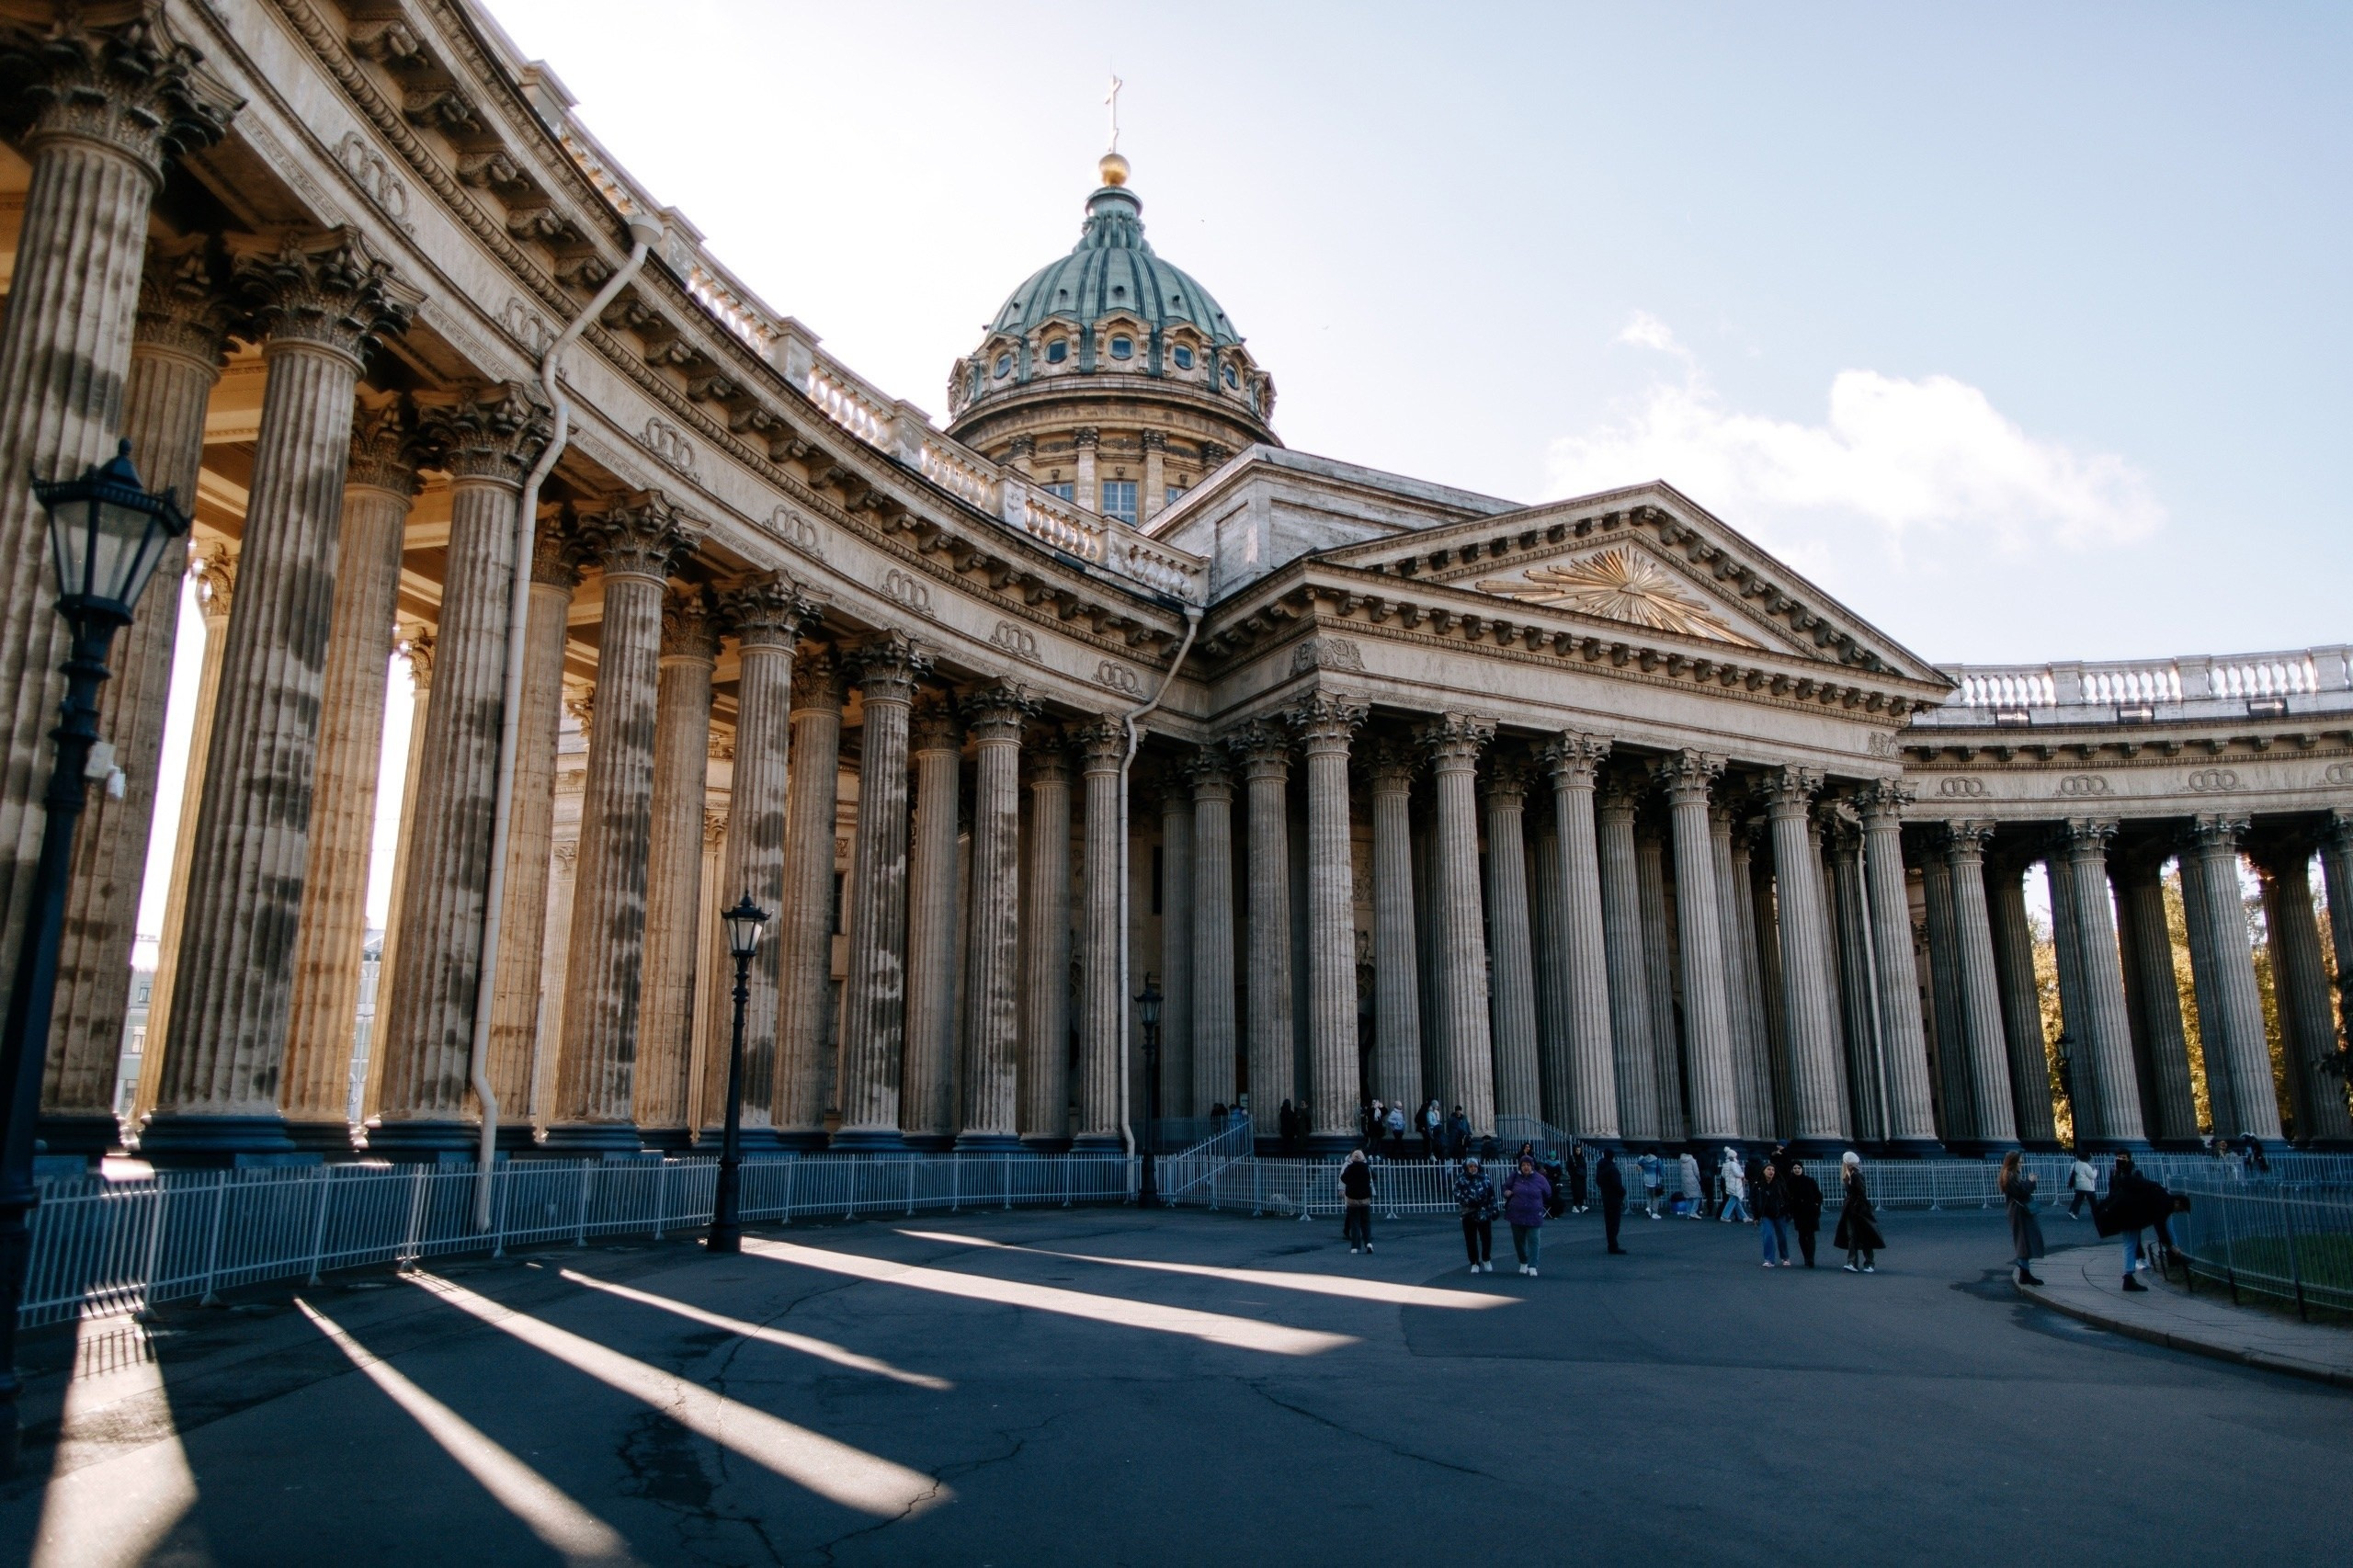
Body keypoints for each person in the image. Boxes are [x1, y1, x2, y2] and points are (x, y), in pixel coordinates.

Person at [2097, 1152, 2176, 1292]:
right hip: (2129, 1212)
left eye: (2123, 1158)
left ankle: (2131, 1273)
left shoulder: (2132, 1173)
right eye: (2119, 1158)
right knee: (2131, 1243)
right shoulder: (2119, 1174)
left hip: (2129, 1212)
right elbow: (2118, 1189)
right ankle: (2129, 1275)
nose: (2121, 1160)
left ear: (2129, 1159)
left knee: (2131, 1243)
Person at [2000, 1150, 2046, 1287]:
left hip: (2019, 1211)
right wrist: (2030, 1182)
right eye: (2019, 1162)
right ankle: (2024, 1274)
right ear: (2012, 1163)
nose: (2022, 1164)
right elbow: (2020, 1192)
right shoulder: (2009, 1176)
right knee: (2023, 1242)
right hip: (2019, 1211)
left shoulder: (2012, 1175)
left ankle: (2025, 1273)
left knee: (2024, 1241)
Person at [1504, 1155, 1553, 1276]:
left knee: (1534, 1240)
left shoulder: (1540, 1179)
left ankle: (1533, 1266)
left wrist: (1539, 1202)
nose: (1526, 1167)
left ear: (1532, 1166)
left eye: (1528, 1165)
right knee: (1518, 1241)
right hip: (1516, 1214)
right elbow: (1505, 1187)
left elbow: (1548, 1193)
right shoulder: (1514, 1176)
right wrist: (1506, 1192)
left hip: (1533, 1214)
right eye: (1523, 1165)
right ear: (1520, 1166)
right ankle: (1523, 1262)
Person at [1835, 1151, 1884, 1272]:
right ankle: (1852, 1262)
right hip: (1850, 1209)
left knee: (1865, 1235)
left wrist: (1858, 1206)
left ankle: (1869, 1263)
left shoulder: (1856, 1175)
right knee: (1852, 1236)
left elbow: (1862, 1193)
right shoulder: (1848, 1175)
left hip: (1859, 1209)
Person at [1455, 1154, 1498, 1273]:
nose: (1473, 1168)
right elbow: (1457, 1194)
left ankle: (1486, 1259)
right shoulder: (1461, 1178)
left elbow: (1491, 1194)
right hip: (1468, 1213)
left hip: (1483, 1212)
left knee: (1486, 1238)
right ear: (1466, 1168)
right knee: (1470, 1239)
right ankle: (1474, 1262)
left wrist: (1493, 1209)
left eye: (1475, 1166)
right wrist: (1470, 1201)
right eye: (1470, 1166)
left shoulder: (1484, 1177)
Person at [1784, 1157, 1824, 1267]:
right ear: (1792, 1170)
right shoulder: (1790, 1183)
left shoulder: (1809, 1180)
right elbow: (1787, 1197)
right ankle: (1806, 1257)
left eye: (1799, 1168)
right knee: (1802, 1235)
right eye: (1795, 1168)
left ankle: (1811, 1258)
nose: (1797, 1170)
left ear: (1802, 1169)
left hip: (1810, 1211)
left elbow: (1818, 1195)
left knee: (1811, 1235)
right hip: (1798, 1212)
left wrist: (1816, 1205)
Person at [1755, 1160, 1790, 1267]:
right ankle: (1769, 1259)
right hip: (1766, 1214)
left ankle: (1785, 1257)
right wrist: (1756, 1216)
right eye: (1769, 1169)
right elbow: (1754, 1200)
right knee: (1768, 1235)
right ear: (1763, 1171)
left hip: (1780, 1213)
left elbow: (1786, 1197)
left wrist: (1787, 1212)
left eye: (1773, 1170)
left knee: (1782, 1236)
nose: (1771, 1172)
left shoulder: (1779, 1183)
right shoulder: (1758, 1185)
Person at [1340, 1148, 1375, 1254]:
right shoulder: (1367, 1168)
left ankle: (1355, 1247)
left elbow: (1343, 1178)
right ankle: (1368, 1242)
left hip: (1352, 1198)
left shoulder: (1349, 1168)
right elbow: (1374, 1177)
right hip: (1365, 1198)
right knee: (1366, 1222)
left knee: (1355, 1222)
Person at [1596, 1146, 1628, 1254]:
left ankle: (1612, 1244)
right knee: (1615, 1223)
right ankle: (1613, 1245)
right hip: (1614, 1198)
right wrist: (1623, 1192)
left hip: (1606, 1196)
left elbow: (1598, 1182)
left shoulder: (1600, 1168)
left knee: (1609, 1222)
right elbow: (1617, 1184)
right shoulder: (1612, 1168)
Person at [1719, 1146, 1748, 1222]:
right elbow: (1737, 1174)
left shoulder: (1725, 1164)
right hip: (1735, 1185)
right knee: (1733, 1200)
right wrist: (1743, 1174)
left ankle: (1744, 1216)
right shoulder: (1734, 1164)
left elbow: (1723, 1175)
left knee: (1736, 1201)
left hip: (1729, 1184)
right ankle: (1724, 1216)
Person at [2066, 1149, 2097, 1219]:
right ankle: (2096, 1213)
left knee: (2078, 1200)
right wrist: (2095, 1171)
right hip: (2087, 1187)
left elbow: (2071, 1173)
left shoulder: (2074, 1164)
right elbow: (2092, 1176)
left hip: (2078, 1185)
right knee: (2093, 1201)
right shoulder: (2086, 1166)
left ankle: (2073, 1212)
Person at [1638, 1148, 1664, 1219]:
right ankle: (1655, 1213)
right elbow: (1661, 1171)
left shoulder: (1644, 1160)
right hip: (1655, 1181)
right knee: (1656, 1197)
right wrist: (1662, 1176)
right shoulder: (1658, 1160)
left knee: (1649, 1196)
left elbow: (1639, 1162)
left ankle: (1648, 1208)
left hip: (1647, 1180)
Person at [1679, 1150, 1704, 1219]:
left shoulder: (1681, 1161)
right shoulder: (1693, 1160)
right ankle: (1693, 1212)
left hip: (1684, 1181)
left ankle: (1688, 1213)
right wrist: (1699, 1179)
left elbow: (1680, 1171)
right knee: (1698, 1196)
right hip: (1693, 1180)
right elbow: (1696, 1172)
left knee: (1688, 1197)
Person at [1567, 1142, 1589, 1212]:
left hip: (1581, 1177)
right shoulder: (1571, 1157)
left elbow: (1584, 1167)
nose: (1578, 1152)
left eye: (1579, 1150)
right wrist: (1572, 1174)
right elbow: (1568, 1167)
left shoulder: (1582, 1158)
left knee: (1581, 1192)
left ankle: (1577, 1206)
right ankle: (1580, 1206)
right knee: (1577, 1192)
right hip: (1575, 1177)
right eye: (1577, 1150)